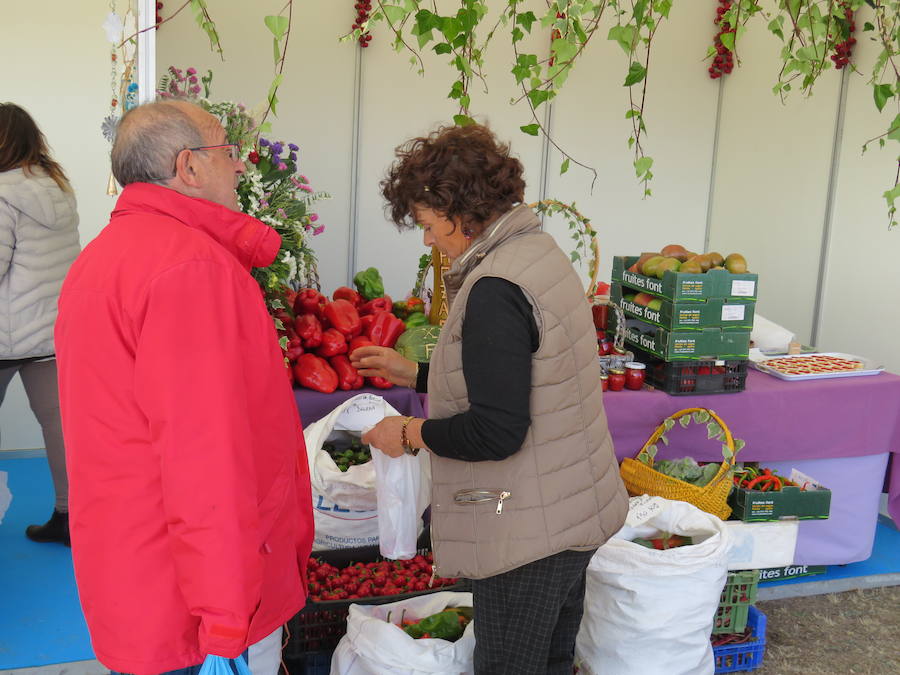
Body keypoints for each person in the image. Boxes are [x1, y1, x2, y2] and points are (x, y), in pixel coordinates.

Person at [351, 123, 629, 675]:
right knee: (550, 659)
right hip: (572, 505)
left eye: (429, 225)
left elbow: (496, 431)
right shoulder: (536, 250)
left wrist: (405, 433)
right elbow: (532, 375)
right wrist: (419, 373)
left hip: (525, 529)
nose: (428, 240)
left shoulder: (495, 286)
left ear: (460, 209)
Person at [54, 100, 314, 675]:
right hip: (192, 604)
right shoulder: (190, 269)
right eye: (228, 152)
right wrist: (226, 621)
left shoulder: (102, 260)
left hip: (137, 572)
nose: (241, 168)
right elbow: (206, 462)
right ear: (188, 167)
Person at [0, 103, 80, 545]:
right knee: (60, 427)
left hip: (5, 335)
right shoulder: (55, 188)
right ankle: (70, 519)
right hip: (50, 331)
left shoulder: (1, 194)